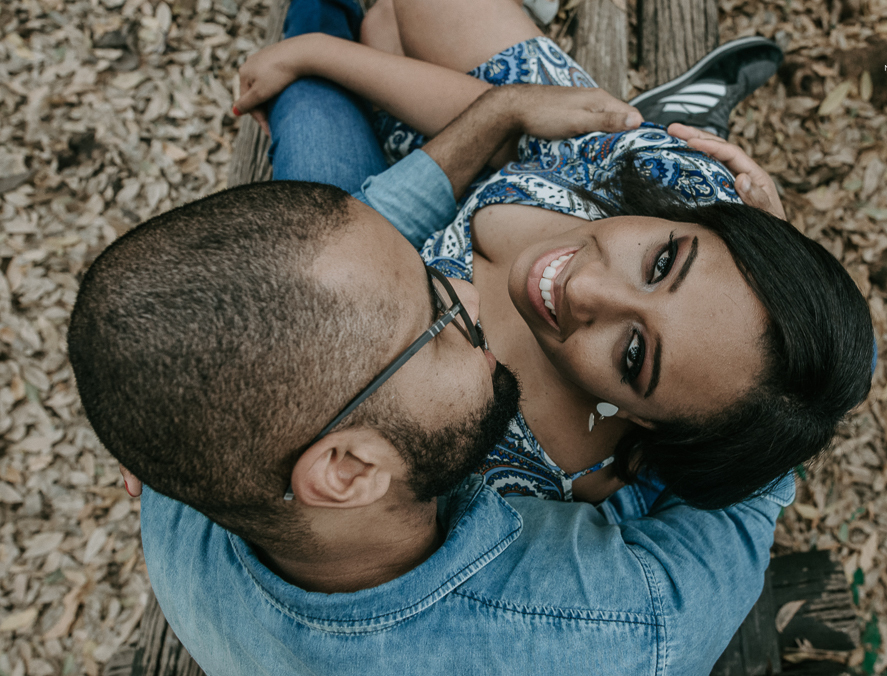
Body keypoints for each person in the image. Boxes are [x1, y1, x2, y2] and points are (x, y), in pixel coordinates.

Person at [68, 41, 796, 675]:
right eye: (441, 320)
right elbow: (765, 466)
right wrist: (790, 303)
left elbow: (358, 233)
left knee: (313, 106)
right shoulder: (611, 637)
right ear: (347, 470)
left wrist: (499, 114)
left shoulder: (193, 459)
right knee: (313, 104)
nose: (475, 297)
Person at [232, 0, 875, 505]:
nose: (586, 290)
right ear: (702, 223)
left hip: (372, 227)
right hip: (511, 147)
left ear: (642, 424)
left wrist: (314, 53)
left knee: (320, 90)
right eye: (660, 265)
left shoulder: (495, 460)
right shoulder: (678, 185)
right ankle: (655, 114)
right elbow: (497, 120)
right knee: (404, 14)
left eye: (633, 355)